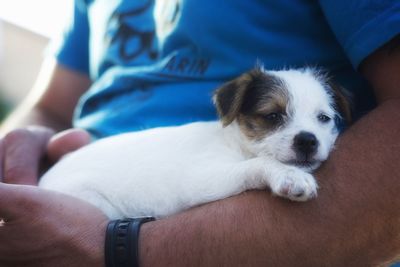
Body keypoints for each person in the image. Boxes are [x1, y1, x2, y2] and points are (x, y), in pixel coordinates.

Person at [0, 0, 399, 266]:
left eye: (324, 120)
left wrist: (115, 249)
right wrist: (21, 146)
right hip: (70, 194)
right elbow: (52, 105)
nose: (307, 135)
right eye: (274, 118)